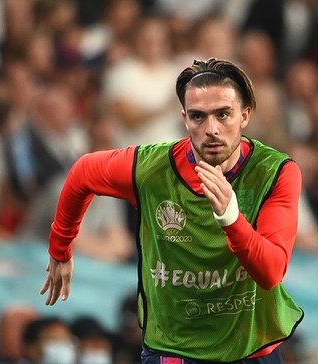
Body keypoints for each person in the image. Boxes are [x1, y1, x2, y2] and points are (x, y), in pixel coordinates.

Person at [39, 57, 304, 363]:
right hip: (175, 348)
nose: (211, 129)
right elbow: (83, 172)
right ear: (184, 118)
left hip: (252, 347)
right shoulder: (150, 168)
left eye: (223, 115)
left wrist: (232, 219)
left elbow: (271, 272)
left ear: (245, 115)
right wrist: (60, 249)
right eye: (198, 117)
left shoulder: (275, 172)